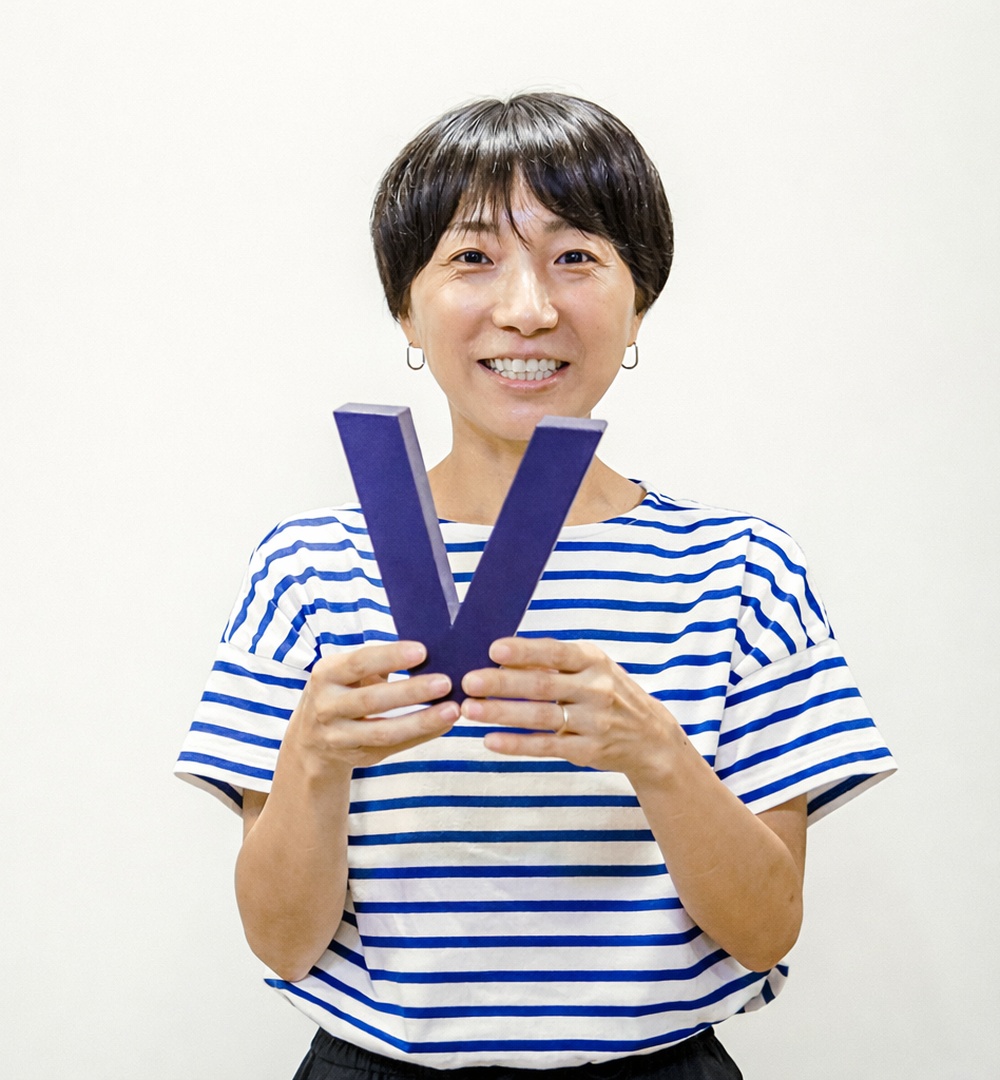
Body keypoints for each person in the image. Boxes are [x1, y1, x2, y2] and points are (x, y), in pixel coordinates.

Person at [176, 93, 895, 1078]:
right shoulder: (307, 568)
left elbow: (765, 932)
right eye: (472, 257)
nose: (527, 307)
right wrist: (310, 758)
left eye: (576, 256)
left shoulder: (741, 570)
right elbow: (282, 945)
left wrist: (656, 754)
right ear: (406, 307)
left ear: (638, 302)